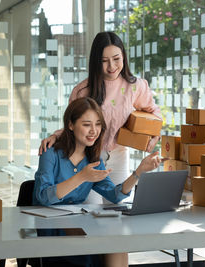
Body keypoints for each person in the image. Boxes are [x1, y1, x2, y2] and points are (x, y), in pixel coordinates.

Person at [33, 97, 163, 267]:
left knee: (118, 245)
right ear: (71, 125)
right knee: (94, 247)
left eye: (98, 124)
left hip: (77, 225)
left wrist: (138, 172)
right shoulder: (51, 153)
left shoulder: (93, 159)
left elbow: (114, 195)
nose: (93, 131)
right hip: (48, 229)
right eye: (86, 124)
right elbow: (43, 196)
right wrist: (81, 177)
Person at [39, 31, 161, 204]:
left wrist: (155, 135)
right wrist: (55, 136)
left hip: (119, 154)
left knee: (118, 206)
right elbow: (73, 124)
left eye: (116, 59)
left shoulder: (136, 86)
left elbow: (153, 113)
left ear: (124, 57)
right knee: (89, 209)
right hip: (89, 154)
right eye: (104, 61)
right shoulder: (82, 91)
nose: (111, 66)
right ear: (96, 61)